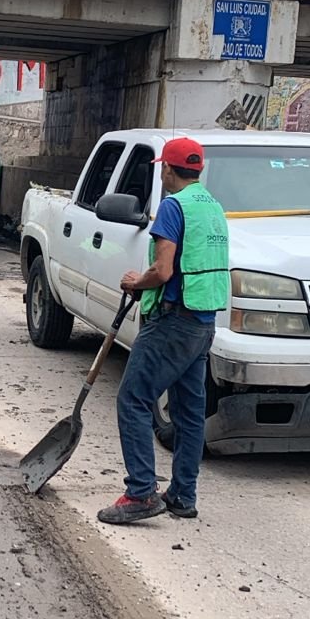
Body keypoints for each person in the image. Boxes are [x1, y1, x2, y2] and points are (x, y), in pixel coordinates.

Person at [98, 136, 230, 526]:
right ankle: (182, 495)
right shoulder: (213, 207)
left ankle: (141, 492)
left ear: (168, 170)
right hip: (203, 322)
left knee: (134, 400)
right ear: (199, 169)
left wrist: (136, 283)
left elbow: (164, 270)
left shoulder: (174, 207)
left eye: (163, 168)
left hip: (174, 322)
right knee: (190, 414)